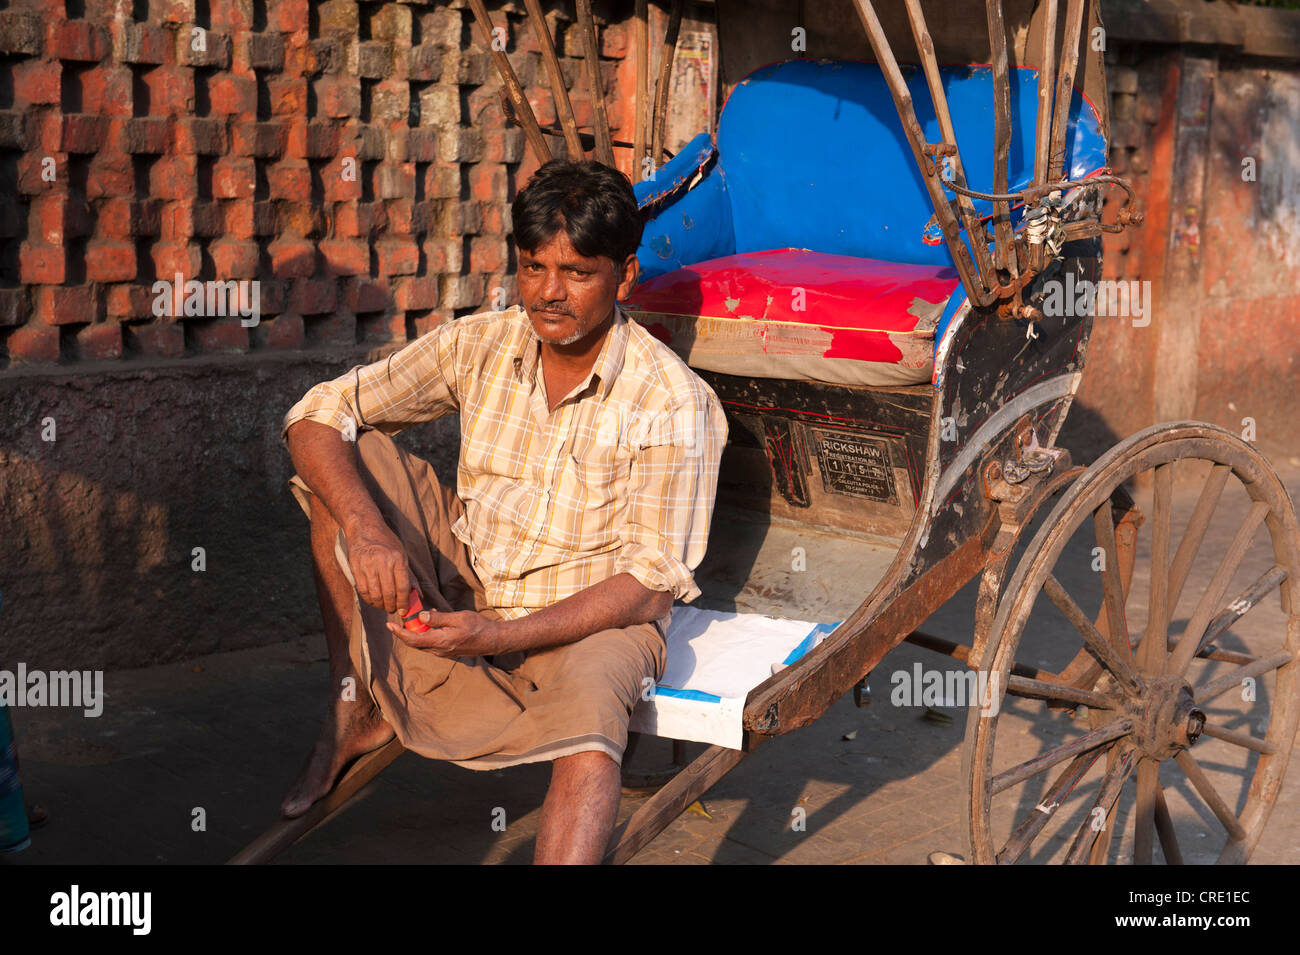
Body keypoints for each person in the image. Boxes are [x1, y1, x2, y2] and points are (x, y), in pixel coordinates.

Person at [278, 160, 727, 864]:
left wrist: (495, 634)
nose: (550, 294)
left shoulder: (673, 401)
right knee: (347, 463)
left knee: (591, 726)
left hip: (590, 618)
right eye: (533, 267)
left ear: (625, 276)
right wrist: (367, 527)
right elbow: (318, 412)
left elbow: (647, 584)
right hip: (472, 572)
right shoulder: (483, 342)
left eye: (577, 272)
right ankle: (356, 700)